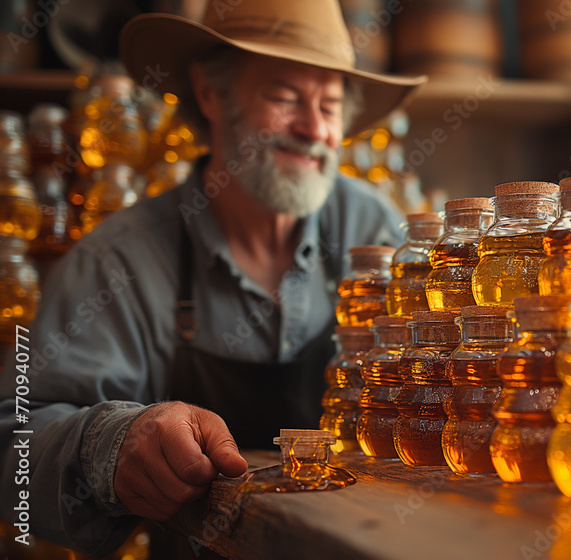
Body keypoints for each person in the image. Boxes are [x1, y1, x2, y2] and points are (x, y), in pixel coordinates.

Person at [0, 0, 426, 555]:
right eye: (285, 97)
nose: (315, 128)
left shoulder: (379, 232)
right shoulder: (119, 261)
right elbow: (16, 445)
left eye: (331, 105)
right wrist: (112, 443)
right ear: (210, 93)